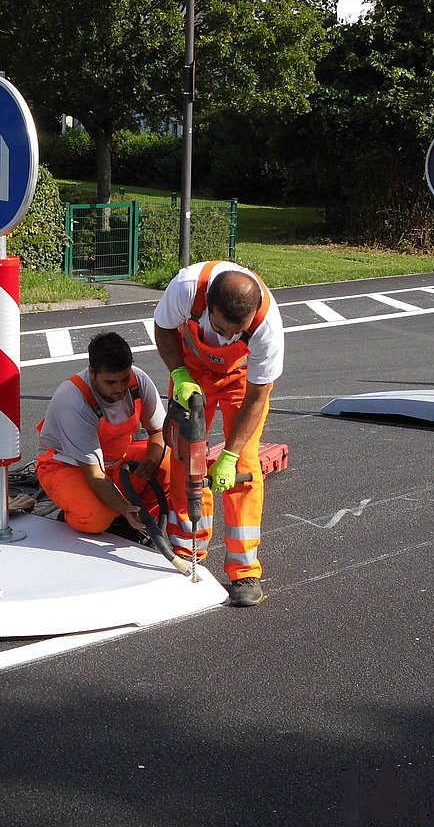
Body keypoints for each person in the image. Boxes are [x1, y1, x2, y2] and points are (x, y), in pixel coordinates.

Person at [153, 260, 285, 607]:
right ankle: (186, 548)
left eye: (236, 333)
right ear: (208, 307)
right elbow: (164, 328)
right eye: (221, 328)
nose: (228, 338)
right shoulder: (186, 288)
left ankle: (244, 569)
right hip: (191, 372)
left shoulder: (267, 327)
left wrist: (227, 456)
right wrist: (179, 374)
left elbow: (258, 396)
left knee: (244, 466)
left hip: (242, 383)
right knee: (185, 455)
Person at [36, 331, 170, 536]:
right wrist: (124, 508)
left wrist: (152, 459)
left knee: (171, 465)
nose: (120, 388)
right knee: (95, 517)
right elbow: (96, 475)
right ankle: (77, 513)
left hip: (114, 461)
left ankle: (136, 520)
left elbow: (158, 430)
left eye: (124, 379)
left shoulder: (139, 381)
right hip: (69, 467)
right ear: (92, 373)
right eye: (111, 382)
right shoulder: (74, 402)